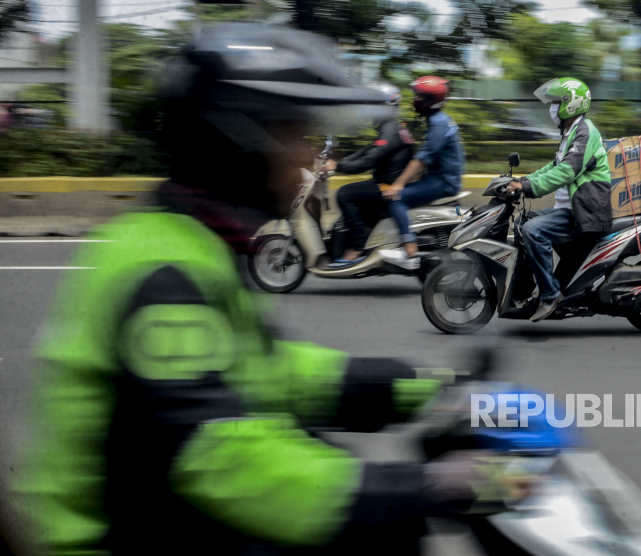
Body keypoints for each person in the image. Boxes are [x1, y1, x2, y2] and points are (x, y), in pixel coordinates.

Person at [14, 24, 519, 556]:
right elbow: (217, 453)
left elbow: (272, 371)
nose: (305, 156)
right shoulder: (165, 272)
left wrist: (430, 386)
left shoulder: (192, 241)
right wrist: (425, 488)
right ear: (240, 140)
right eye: (293, 134)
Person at [506, 77, 612, 322]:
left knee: (533, 230)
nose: (551, 107)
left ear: (571, 104)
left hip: (585, 212)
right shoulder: (571, 133)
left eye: (555, 102)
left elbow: (567, 171)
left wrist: (527, 186)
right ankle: (526, 290)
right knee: (522, 223)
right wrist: (524, 180)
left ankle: (550, 294)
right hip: (569, 208)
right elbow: (552, 167)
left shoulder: (586, 133)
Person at [317, 83, 414, 268]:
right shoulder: (391, 127)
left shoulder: (391, 130)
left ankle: (357, 246)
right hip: (385, 182)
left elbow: (367, 161)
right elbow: (367, 150)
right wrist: (337, 162)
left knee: (345, 194)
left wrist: (338, 166)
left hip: (388, 186)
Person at [378, 76, 466, 271]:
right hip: (437, 178)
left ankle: (409, 251)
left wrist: (398, 184)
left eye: (417, 96)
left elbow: (422, 159)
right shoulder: (437, 120)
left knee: (396, 198)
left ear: (429, 100)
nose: (413, 100)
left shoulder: (439, 123)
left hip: (442, 182)